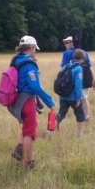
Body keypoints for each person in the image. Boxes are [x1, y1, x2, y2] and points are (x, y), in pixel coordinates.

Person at [8, 35, 55, 170]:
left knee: (24, 125)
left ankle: (19, 148)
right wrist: (49, 101)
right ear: (32, 47)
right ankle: (29, 163)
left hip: (16, 101)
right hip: (27, 101)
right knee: (30, 132)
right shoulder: (29, 64)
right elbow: (35, 86)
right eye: (35, 49)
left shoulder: (16, 59)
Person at [61, 36, 95, 121]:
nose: (65, 44)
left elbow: (63, 68)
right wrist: (94, 81)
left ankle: (82, 117)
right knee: (84, 98)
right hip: (85, 80)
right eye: (65, 43)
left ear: (72, 42)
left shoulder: (66, 53)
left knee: (79, 98)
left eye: (67, 42)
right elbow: (90, 67)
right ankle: (86, 116)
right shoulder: (84, 52)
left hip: (71, 80)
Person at [55, 49, 86, 137]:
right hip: (73, 97)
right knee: (80, 114)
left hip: (63, 96)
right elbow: (78, 85)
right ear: (82, 59)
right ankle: (79, 133)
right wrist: (78, 99)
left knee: (61, 113)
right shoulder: (78, 68)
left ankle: (50, 130)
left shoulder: (66, 65)